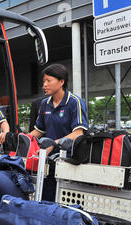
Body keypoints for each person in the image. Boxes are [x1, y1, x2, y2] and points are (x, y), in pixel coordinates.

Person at [29, 63, 89, 201]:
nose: (44, 85)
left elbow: (78, 133)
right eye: (44, 81)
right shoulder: (44, 104)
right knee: (45, 199)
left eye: (48, 81)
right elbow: (38, 130)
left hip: (70, 162)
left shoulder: (75, 102)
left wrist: (53, 144)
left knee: (66, 204)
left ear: (61, 82)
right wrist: (22, 138)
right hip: (48, 161)